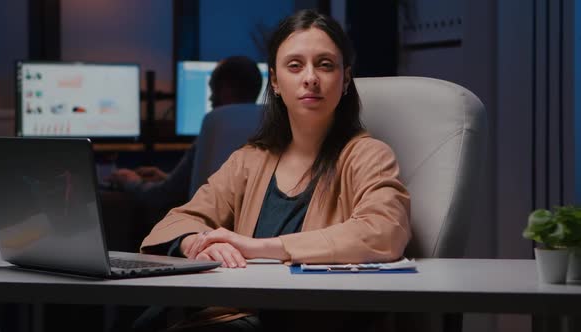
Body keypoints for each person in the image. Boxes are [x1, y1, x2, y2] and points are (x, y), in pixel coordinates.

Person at [139, 9, 411, 332]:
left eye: (325, 64)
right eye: (295, 66)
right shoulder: (249, 160)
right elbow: (176, 221)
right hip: (227, 315)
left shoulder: (368, 156)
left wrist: (256, 247)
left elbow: (385, 230)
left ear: (346, 79)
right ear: (276, 82)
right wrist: (198, 243)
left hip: (305, 321)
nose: (310, 77)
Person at [107, 56, 263, 225]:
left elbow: (161, 197)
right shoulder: (269, 126)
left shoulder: (213, 125)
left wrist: (130, 181)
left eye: (212, 91)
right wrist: (166, 177)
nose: (210, 99)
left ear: (225, 90)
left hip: (204, 232)